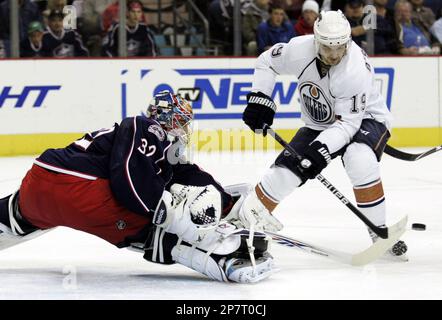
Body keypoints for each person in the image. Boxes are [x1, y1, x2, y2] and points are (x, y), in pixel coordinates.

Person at [0, 91, 275, 283]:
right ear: (168, 119)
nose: (184, 131)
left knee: (12, 216)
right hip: (81, 187)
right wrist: (164, 212)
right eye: (181, 123)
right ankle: (226, 255)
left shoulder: (159, 155)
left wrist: (228, 202)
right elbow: (127, 177)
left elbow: (188, 173)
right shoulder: (148, 127)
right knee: (159, 225)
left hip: (40, 181)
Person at [238, 10, 408, 260]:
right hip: (318, 124)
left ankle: (379, 233)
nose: (334, 54)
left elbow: (348, 125)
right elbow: (266, 61)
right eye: (327, 47)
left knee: (358, 157)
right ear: (316, 40)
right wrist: (260, 99)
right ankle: (244, 223)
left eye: (340, 47)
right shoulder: (299, 49)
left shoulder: (354, 69)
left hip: (366, 119)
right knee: (284, 173)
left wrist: (320, 151)